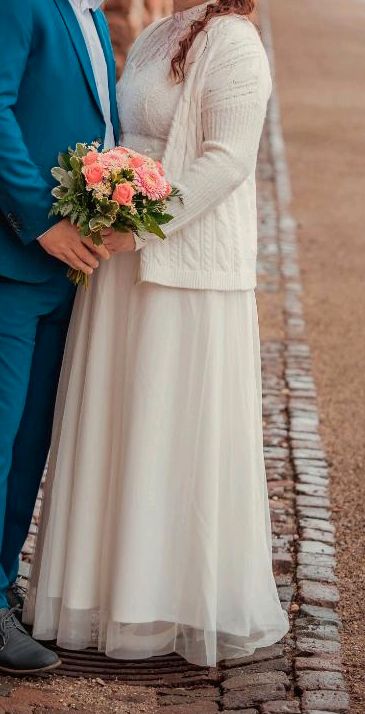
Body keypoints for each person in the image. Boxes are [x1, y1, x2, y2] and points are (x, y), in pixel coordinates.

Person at [24, 0, 289, 667]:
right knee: (119, 425)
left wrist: (139, 225)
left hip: (184, 271)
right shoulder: (160, 33)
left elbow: (226, 162)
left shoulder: (232, 42)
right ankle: (103, 594)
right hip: (121, 265)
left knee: (170, 429)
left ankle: (164, 604)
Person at [0, 0, 118, 673]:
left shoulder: (93, 15)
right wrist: (39, 222)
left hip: (66, 273)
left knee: (27, 444)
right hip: (15, 257)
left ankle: (0, 586)